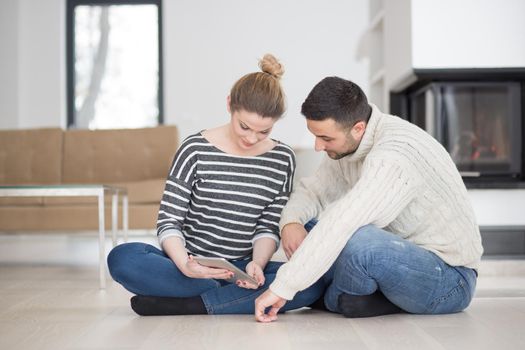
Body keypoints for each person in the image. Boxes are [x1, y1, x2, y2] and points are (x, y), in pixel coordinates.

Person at [107, 54, 325, 316]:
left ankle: (191, 305)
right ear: (229, 104)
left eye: (263, 131)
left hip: (245, 269)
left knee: (312, 282)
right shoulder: (194, 149)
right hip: (189, 264)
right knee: (123, 258)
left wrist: (257, 263)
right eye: (244, 126)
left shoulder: (282, 158)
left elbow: (268, 225)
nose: (251, 138)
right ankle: (225, 298)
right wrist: (186, 266)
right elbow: (168, 222)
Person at [254, 76, 483, 322]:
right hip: (391, 253)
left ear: (358, 128)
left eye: (326, 139)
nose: (318, 146)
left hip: (450, 278)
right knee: (309, 227)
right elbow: (313, 191)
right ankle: (343, 294)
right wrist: (291, 222)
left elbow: (344, 222)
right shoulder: (347, 146)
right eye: (315, 136)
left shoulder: (394, 155)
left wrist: (283, 287)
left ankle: (331, 297)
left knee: (358, 242)